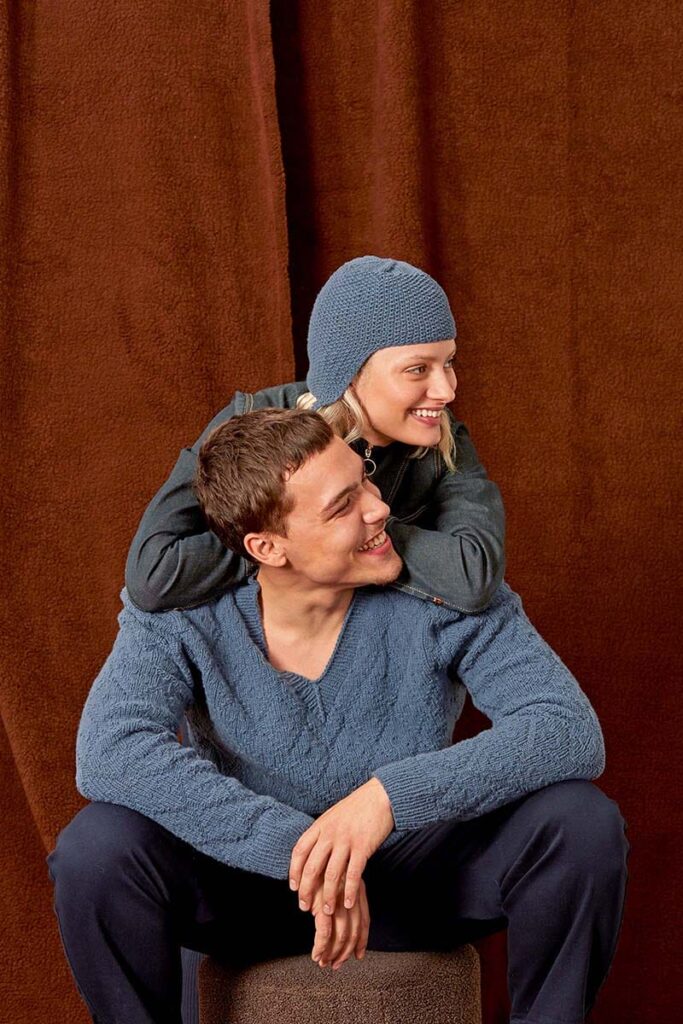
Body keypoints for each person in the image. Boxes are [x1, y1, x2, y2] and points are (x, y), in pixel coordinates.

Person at [48, 408, 629, 1024]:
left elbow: (566, 727)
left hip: (413, 881)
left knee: (580, 821)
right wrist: (304, 852)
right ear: (268, 547)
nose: (379, 509)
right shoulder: (180, 612)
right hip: (246, 886)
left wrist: (386, 800)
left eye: (366, 481)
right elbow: (111, 748)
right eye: (342, 506)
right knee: (97, 847)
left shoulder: (444, 592)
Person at [124, 254, 505, 616]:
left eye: (448, 362)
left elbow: (473, 577)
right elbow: (154, 577)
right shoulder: (252, 423)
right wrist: (299, 537)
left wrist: (352, 532)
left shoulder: (443, 437)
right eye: (418, 369)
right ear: (350, 374)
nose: (447, 391)